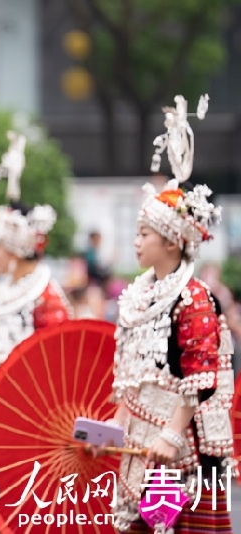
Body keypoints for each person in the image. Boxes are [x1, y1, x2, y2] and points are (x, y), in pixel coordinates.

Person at [107, 94, 233, 532]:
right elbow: (130, 377)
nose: (136, 242)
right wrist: (112, 430)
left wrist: (173, 432)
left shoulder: (195, 298)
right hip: (142, 438)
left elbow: (201, 379)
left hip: (184, 445)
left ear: (173, 240)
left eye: (144, 233)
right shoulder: (138, 295)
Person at [0, 131, 72, 414]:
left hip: (27, 412)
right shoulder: (2, 291)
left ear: (14, 250)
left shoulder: (46, 298)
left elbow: (56, 367)